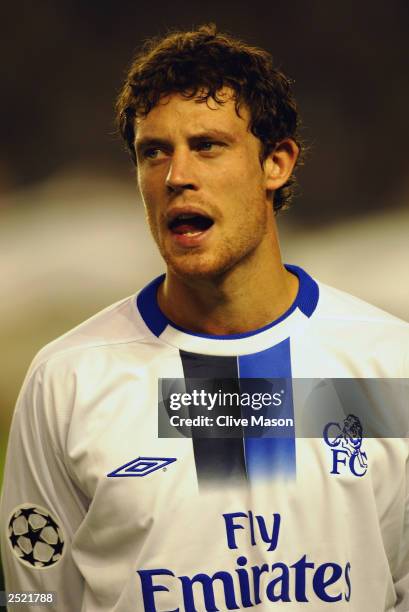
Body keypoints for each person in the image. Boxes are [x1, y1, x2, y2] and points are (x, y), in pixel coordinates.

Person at [1, 23, 408, 612]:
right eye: (153, 152)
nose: (176, 176)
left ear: (277, 163)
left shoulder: (385, 364)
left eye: (208, 146)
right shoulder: (68, 380)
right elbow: (32, 598)